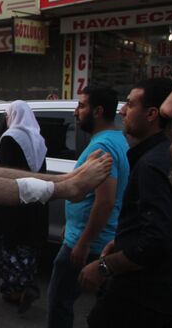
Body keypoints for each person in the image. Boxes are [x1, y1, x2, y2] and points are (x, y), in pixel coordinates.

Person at [79, 78, 172, 327]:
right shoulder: (161, 155)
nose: (122, 111)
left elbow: (156, 241)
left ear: (152, 114)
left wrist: (103, 267)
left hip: (141, 298)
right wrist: (125, 239)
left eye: (131, 104)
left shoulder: (151, 164)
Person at [46, 85, 129, 328]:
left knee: (59, 301)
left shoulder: (101, 147)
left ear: (98, 111)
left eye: (81, 106)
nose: (75, 111)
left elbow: (105, 200)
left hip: (88, 243)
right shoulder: (119, 139)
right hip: (91, 236)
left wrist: (83, 242)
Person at [0, 100, 48, 314]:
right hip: (36, 200)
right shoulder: (39, 138)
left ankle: (16, 290)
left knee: (6, 244)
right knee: (28, 245)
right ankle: (24, 284)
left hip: (15, 199)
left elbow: (6, 170)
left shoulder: (10, 137)